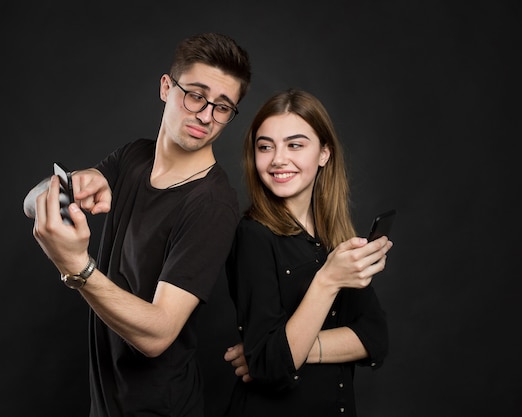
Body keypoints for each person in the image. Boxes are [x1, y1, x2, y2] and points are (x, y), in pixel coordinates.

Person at [23, 32, 252, 417]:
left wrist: (77, 266)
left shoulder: (212, 203)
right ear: (166, 87)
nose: (206, 115)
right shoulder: (133, 156)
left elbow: (158, 334)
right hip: (106, 405)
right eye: (195, 95)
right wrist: (75, 181)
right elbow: (31, 202)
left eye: (223, 107)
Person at [223, 89, 393, 417]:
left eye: (295, 144)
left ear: (324, 153)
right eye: (265, 146)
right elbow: (271, 366)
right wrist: (327, 281)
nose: (277, 159)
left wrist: (299, 350)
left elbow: (375, 338)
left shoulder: (335, 237)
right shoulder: (253, 236)